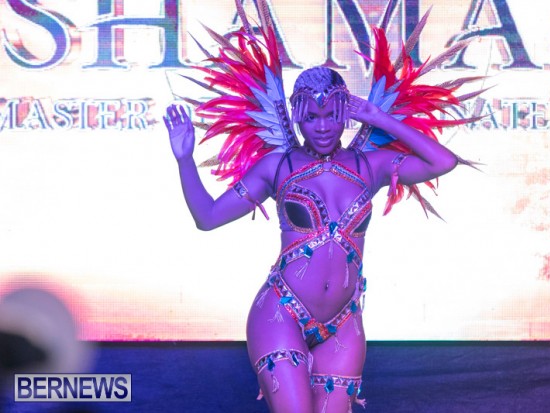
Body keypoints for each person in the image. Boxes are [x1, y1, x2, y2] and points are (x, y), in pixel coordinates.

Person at [164, 5, 478, 412]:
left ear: (345, 113)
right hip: (281, 313)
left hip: (344, 321)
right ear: (297, 116)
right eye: (312, 117)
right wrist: (184, 160)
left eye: (332, 115)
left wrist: (379, 118)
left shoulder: (370, 166)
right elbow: (207, 218)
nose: (324, 126)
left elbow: (443, 162)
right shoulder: (278, 166)